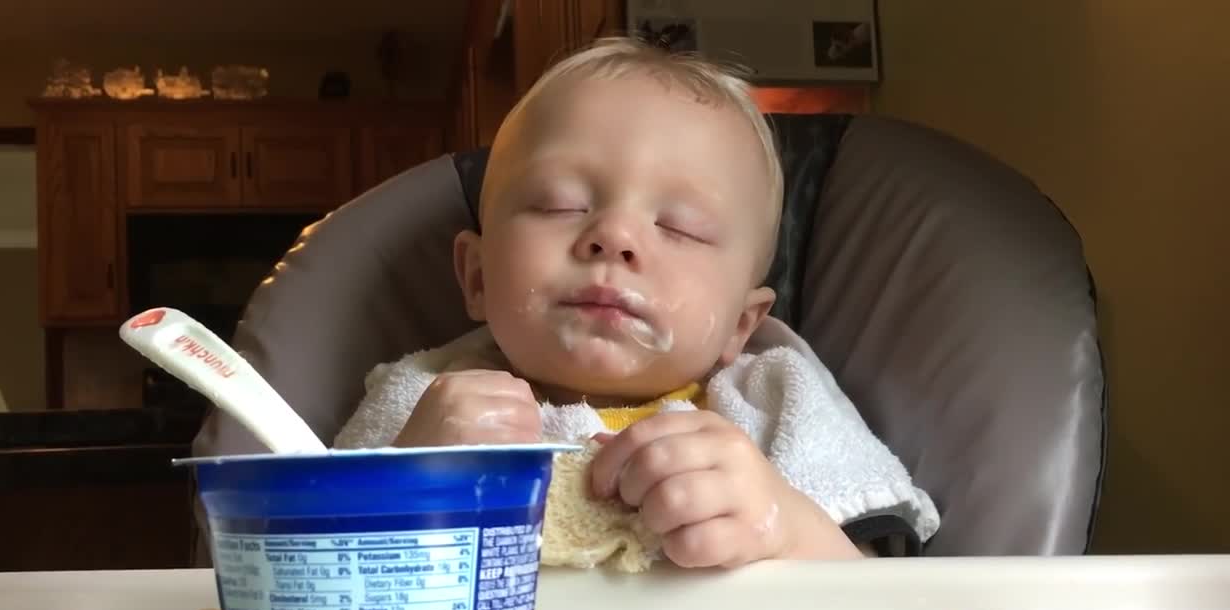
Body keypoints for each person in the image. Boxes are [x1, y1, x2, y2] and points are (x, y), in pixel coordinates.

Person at [334, 36, 939, 567]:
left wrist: (784, 526)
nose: (615, 237)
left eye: (681, 227)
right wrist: (405, 482)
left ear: (741, 324)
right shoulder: (424, 401)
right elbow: (315, 576)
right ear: (477, 277)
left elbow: (876, 595)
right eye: (559, 203)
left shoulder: (773, 401)